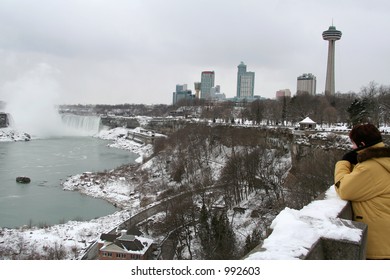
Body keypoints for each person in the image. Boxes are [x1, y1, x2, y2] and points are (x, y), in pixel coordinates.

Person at [334, 123, 390, 259]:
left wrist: (343, 163)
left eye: (353, 144)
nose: (351, 148)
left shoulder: (370, 168)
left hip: (379, 245)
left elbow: (344, 189)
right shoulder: (384, 160)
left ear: (362, 144)